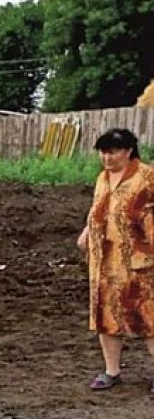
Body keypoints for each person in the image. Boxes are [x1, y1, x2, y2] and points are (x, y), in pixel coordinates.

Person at [76, 128, 154, 395]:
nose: (106, 158)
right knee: (105, 316)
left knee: (148, 316)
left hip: (139, 259)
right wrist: (87, 232)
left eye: (112, 152)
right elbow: (98, 207)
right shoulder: (102, 178)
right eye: (102, 152)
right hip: (104, 259)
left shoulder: (147, 176)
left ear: (128, 151)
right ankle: (112, 371)